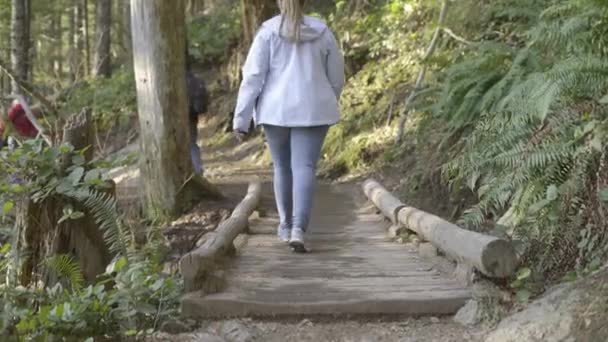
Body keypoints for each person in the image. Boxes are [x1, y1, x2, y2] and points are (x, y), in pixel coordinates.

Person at [232, 0, 345, 252]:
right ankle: (298, 229)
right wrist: (326, 98)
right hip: (314, 110)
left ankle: (284, 225)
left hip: (276, 111)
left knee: (282, 167)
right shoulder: (322, 32)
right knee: (304, 166)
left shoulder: (267, 32)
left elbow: (252, 79)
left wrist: (241, 120)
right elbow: (336, 77)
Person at [186, 69, 209, 175]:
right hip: (191, 117)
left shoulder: (174, 78)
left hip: (175, 117)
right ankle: (197, 171)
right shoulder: (194, 79)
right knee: (191, 144)